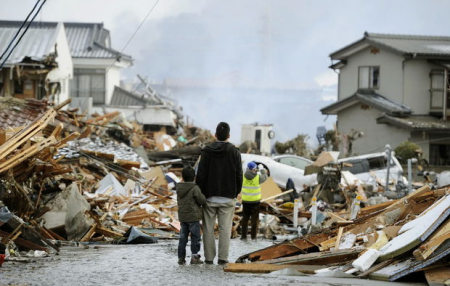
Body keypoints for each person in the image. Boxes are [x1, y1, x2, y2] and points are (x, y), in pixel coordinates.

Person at [196, 122, 243, 265]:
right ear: (228, 136)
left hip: (209, 197)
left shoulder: (206, 152)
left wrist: (201, 194)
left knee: (208, 229)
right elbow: (239, 175)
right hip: (228, 197)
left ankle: (209, 258)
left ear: (215, 135)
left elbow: (201, 175)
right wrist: (235, 192)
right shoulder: (235, 152)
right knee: (225, 229)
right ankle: (223, 258)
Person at [176, 166, 207, 265]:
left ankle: (181, 258)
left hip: (183, 217)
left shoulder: (179, 188)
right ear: (194, 177)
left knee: (182, 238)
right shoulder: (195, 188)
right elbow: (202, 200)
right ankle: (194, 257)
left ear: (182, 177)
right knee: (195, 237)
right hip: (193, 217)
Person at [240, 162, 267, 240]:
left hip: (245, 201)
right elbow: (265, 177)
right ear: (254, 169)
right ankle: (253, 236)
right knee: (254, 220)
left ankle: (243, 236)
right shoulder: (258, 177)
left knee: (245, 219)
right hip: (255, 202)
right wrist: (262, 170)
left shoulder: (243, 176)